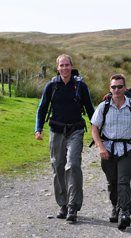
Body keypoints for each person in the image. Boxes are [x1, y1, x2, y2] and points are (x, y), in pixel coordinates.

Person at [35, 54, 95, 221]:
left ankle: (73, 207)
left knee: (73, 164)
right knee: (58, 167)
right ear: (57, 68)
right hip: (56, 131)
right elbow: (42, 108)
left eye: (67, 65)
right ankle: (62, 204)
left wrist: (98, 131)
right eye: (61, 65)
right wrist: (38, 129)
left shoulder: (80, 86)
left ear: (72, 66)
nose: (64, 68)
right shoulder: (51, 86)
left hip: (75, 130)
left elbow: (90, 109)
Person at [90, 74, 131, 230]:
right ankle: (115, 207)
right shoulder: (103, 106)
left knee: (123, 180)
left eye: (119, 86)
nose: (116, 89)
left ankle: (125, 213)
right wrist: (101, 147)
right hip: (108, 152)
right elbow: (94, 129)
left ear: (125, 88)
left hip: (127, 150)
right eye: (113, 87)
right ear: (110, 89)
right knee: (112, 182)